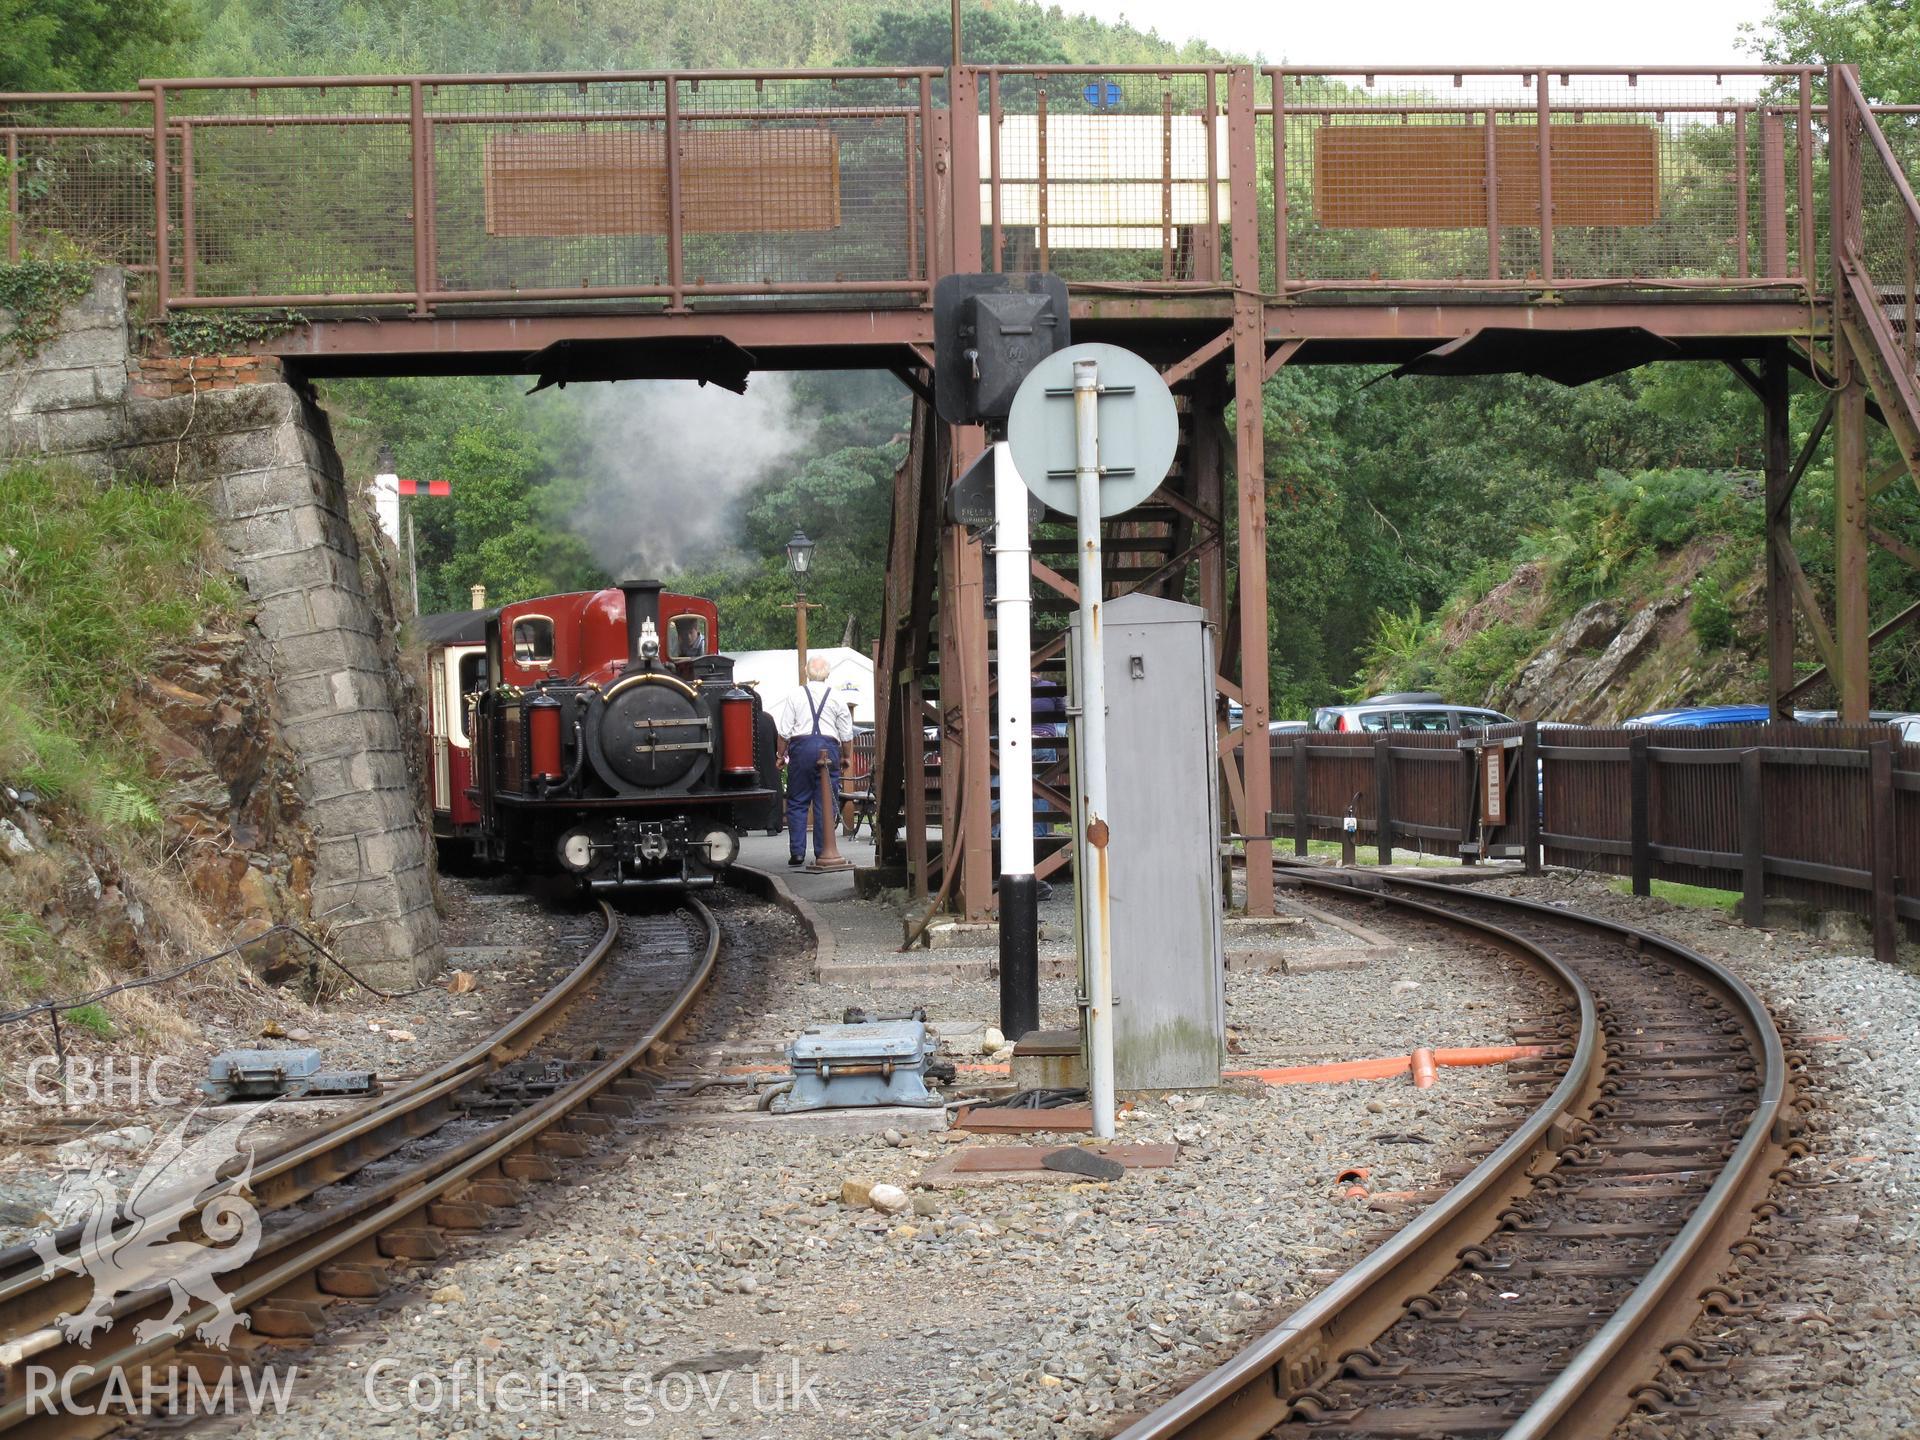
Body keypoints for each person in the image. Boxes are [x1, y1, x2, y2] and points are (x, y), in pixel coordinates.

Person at [773, 655, 855, 866]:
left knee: (797, 801)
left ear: (807, 672)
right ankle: (823, 851)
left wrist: (780, 756)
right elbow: (846, 735)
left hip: (801, 750)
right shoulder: (836, 697)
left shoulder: (795, 695)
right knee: (825, 802)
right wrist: (846, 756)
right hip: (829, 748)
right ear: (827, 674)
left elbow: (784, 732)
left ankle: (797, 853)